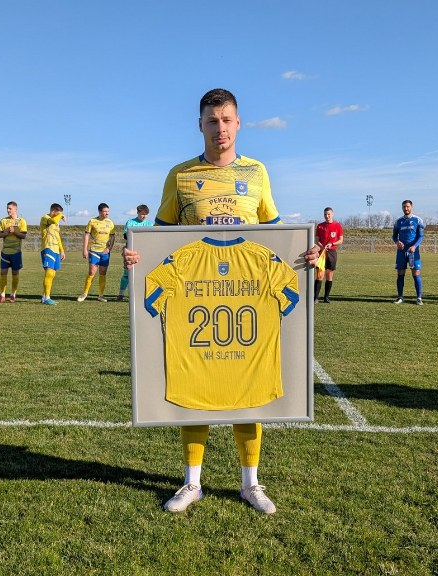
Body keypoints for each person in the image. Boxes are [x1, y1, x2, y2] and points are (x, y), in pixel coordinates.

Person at [123, 88, 317, 515]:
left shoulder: (257, 172)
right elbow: (159, 239)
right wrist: (137, 256)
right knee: (196, 394)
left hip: (247, 301)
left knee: (249, 394)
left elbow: (276, 235)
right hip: (196, 302)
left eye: (227, 119)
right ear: (200, 125)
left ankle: (251, 483)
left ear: (239, 123)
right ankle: (192, 483)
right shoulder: (180, 175)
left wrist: (304, 254)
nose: (220, 128)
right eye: (212, 120)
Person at [77, 203, 116, 302]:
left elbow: (112, 236)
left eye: (108, 211)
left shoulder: (110, 222)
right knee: (91, 272)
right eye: (105, 211)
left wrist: (110, 248)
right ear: (99, 211)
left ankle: (101, 295)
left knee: (103, 273)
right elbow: (86, 235)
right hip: (94, 250)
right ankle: (84, 293)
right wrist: (85, 249)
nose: (107, 213)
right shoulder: (92, 221)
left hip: (105, 252)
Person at [116, 204, 153, 302]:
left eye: (146, 214)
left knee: (144, 273)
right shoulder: (130, 222)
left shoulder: (149, 224)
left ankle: (141, 295)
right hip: (131, 252)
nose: (144, 216)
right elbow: (126, 236)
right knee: (127, 274)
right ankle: (121, 294)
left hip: (144, 252)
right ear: (138, 213)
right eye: (142, 214)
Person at [392, 200, 425, 305]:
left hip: (413, 252)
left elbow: (421, 236)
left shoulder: (418, 220)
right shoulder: (398, 222)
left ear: (411, 207)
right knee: (400, 273)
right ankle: (400, 297)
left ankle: (419, 298)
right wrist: (397, 242)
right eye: (404, 207)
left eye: (407, 206)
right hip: (401, 252)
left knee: (416, 273)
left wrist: (414, 246)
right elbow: (394, 236)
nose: (406, 209)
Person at [0, 201, 28, 303]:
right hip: (5, 251)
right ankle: (2, 295)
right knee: (3, 272)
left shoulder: (22, 221)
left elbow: (23, 236)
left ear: (15, 209)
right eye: (7, 208)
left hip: (16, 252)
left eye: (10, 208)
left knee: (15, 273)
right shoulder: (3, 221)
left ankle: (13, 294)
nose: (8, 210)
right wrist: (6, 232)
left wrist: (14, 232)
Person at [314, 207, 344, 303]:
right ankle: (315, 298)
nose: (327, 216)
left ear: (332, 214)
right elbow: (317, 240)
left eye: (328, 214)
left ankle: (326, 297)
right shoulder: (320, 226)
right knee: (320, 275)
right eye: (325, 214)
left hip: (332, 252)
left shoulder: (337, 226)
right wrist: (322, 246)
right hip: (322, 252)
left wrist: (332, 244)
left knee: (329, 276)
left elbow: (340, 240)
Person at [39, 202, 67, 305]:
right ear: (53, 211)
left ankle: (44, 296)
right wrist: (61, 215)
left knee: (53, 274)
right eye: (58, 213)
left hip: (56, 250)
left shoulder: (56, 222)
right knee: (49, 272)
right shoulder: (45, 218)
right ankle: (47, 298)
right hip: (48, 247)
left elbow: (57, 236)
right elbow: (53, 220)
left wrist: (62, 250)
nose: (59, 216)